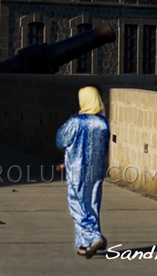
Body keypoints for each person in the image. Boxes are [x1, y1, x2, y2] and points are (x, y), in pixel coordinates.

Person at [56, 86, 110, 258]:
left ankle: (94, 237)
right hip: (96, 170)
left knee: (77, 204)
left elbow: (61, 140)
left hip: (77, 170)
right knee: (91, 203)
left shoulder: (75, 122)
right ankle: (83, 245)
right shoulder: (103, 123)